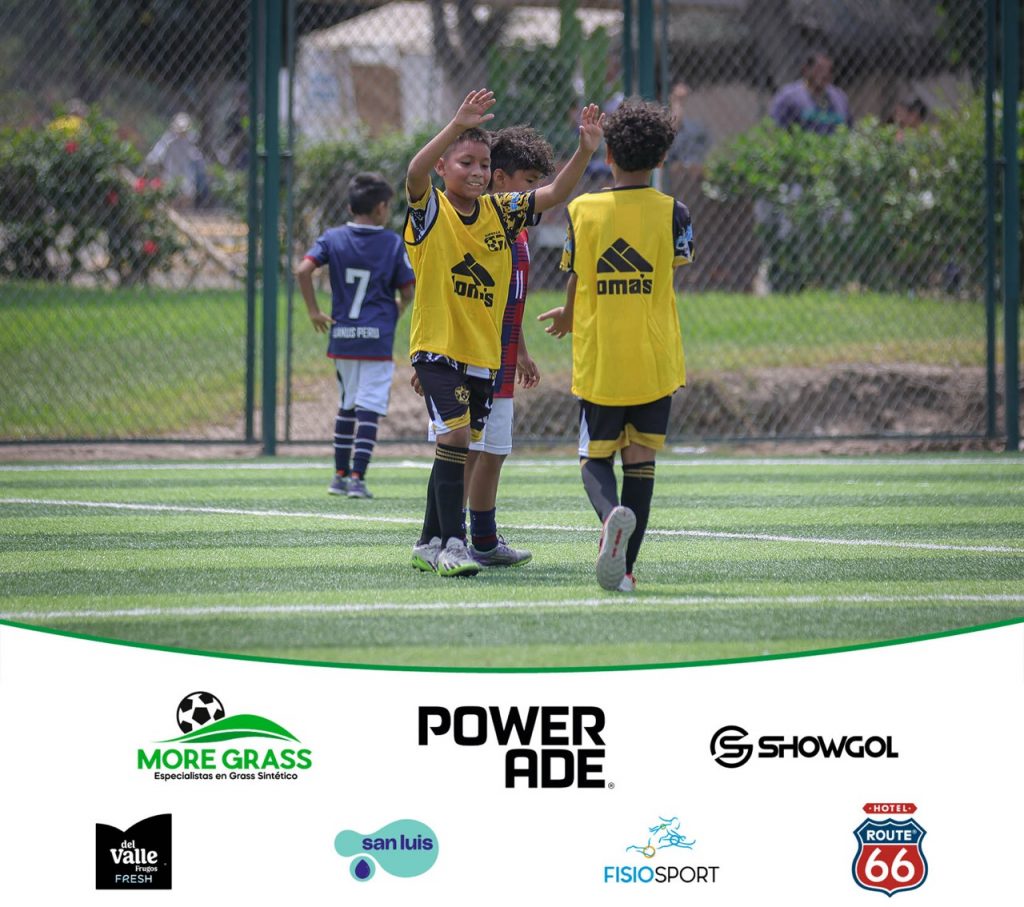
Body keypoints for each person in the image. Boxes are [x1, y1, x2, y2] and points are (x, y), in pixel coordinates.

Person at [405, 88, 605, 578]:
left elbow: (554, 195)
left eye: (483, 164)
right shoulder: (431, 210)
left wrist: (585, 151)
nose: (476, 172)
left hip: (484, 355)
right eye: (465, 163)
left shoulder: (500, 212)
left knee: (460, 445)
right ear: (443, 168)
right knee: (456, 437)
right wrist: (455, 126)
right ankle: (454, 544)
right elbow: (413, 172)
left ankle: (428, 542)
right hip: (437, 348)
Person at [538, 98, 694, 593]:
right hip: (653, 359)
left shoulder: (582, 210)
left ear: (607, 155)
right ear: (662, 159)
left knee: (594, 458)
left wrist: (568, 313)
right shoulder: (675, 212)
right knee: (641, 463)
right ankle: (624, 571)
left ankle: (610, 517)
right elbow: (673, 267)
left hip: (601, 358)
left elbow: (577, 273)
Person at [421, 125, 553, 568]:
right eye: (527, 183)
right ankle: (449, 538)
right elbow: (447, 295)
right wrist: (427, 365)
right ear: (501, 179)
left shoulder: (516, 231)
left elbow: (504, 301)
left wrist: (521, 350)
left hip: (498, 357)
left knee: (494, 450)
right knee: (464, 449)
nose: (532, 194)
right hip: (461, 356)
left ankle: (482, 538)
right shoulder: (477, 224)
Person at [295, 172, 415, 500]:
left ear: (350, 207)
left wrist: (314, 311)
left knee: (347, 404)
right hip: (376, 338)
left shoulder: (332, 238)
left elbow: (303, 269)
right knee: (369, 407)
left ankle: (339, 476)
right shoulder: (392, 243)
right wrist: (399, 309)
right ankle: (358, 478)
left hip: (344, 336)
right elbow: (408, 290)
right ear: (381, 208)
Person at [770, 51, 853, 135]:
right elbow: (775, 127)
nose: (825, 74)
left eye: (830, 70)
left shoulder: (839, 97)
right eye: (820, 69)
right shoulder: (789, 96)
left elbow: (849, 128)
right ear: (806, 70)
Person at [145, 112, 208, 208]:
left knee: (188, 194)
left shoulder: (190, 139)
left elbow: (196, 156)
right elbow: (156, 155)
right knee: (170, 197)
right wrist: (155, 163)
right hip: (170, 172)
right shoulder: (168, 139)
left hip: (185, 173)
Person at [665, 83, 710, 172]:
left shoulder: (697, 128)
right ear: (670, 98)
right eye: (677, 99)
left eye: (683, 99)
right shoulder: (664, 122)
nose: (680, 105)